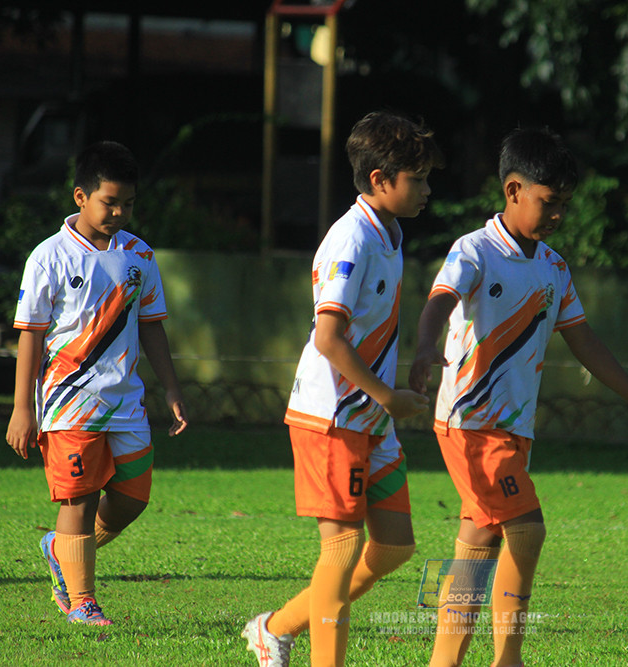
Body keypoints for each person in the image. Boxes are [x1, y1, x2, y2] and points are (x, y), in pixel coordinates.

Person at [410, 127, 628, 667]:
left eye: (564, 204)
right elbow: (440, 299)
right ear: (512, 191)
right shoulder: (476, 250)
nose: (557, 213)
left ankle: (443, 662)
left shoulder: (553, 266)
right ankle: (510, 659)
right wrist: (423, 349)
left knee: (478, 544)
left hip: (513, 429)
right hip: (470, 424)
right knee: (527, 530)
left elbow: (582, 339)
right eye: (548, 201)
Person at [241, 111, 444, 667]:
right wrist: (388, 396)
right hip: (332, 416)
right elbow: (328, 338)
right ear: (380, 179)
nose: (427, 190)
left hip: (370, 418)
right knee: (342, 547)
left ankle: (274, 628)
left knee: (395, 546)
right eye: (418, 179)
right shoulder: (350, 239)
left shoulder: (390, 233)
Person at [5, 140, 189, 626]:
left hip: (125, 400)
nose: (120, 212)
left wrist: (171, 388)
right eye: (110, 202)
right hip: (69, 401)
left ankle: (60, 548)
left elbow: (151, 324)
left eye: (128, 203)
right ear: (80, 196)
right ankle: (83, 601)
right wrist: (22, 407)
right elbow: (30, 334)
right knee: (80, 498)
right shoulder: (49, 257)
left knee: (133, 498)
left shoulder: (140, 255)